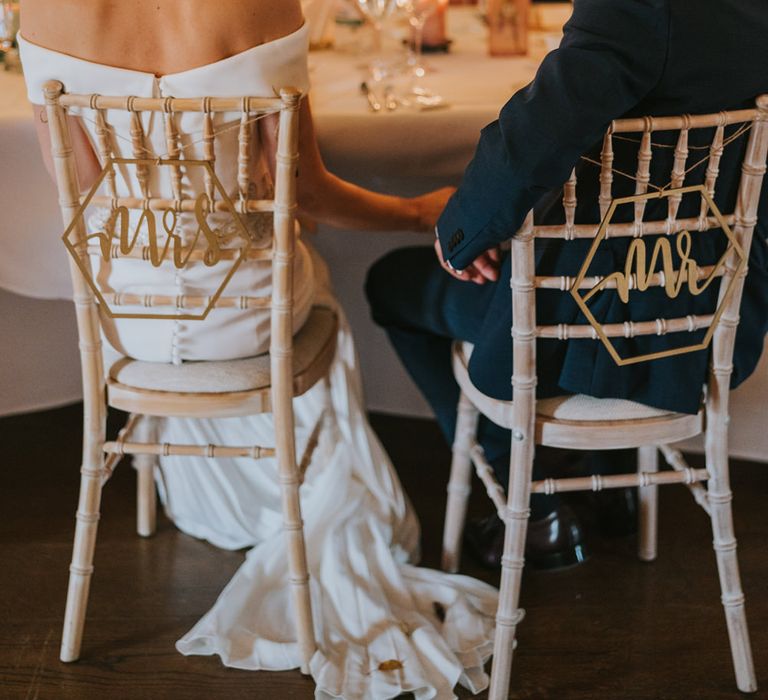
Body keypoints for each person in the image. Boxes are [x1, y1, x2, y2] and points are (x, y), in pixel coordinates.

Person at [19, 1, 499, 698]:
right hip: (245, 319)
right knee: (311, 278)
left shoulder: (45, 8)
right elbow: (300, 189)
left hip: (129, 321)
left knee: (254, 270)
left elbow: (88, 185)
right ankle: (294, 496)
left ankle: (222, 497)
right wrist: (420, 212)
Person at [366, 0, 768, 568]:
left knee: (392, 282)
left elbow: (531, 141)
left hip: (584, 327)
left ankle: (524, 494)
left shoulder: (642, 9)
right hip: (708, 326)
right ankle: (612, 480)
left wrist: (459, 235)